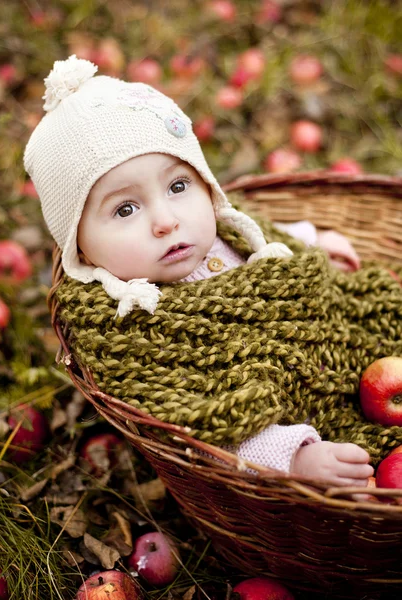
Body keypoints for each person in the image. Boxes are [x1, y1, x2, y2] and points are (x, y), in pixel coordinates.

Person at [24, 55, 376, 488]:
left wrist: (314, 239)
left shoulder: (221, 229)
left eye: (177, 186)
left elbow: (261, 232)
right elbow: (196, 425)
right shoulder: (131, 329)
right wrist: (293, 458)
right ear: (83, 250)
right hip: (309, 429)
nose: (166, 220)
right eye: (125, 208)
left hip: (351, 353)